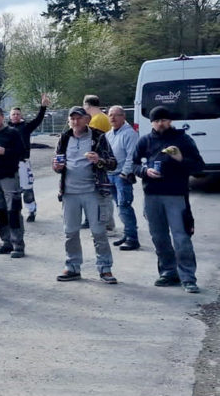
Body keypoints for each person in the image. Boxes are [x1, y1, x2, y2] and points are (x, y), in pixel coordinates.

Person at [133, 106, 205, 293]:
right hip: (152, 195)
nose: (161, 123)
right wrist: (144, 171)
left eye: (164, 120)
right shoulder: (145, 141)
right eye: (157, 121)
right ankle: (167, 272)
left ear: (170, 121)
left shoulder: (182, 139)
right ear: (151, 123)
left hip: (176, 195)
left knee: (181, 238)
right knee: (159, 237)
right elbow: (133, 164)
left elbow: (199, 167)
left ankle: (188, 277)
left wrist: (181, 159)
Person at [52, 106, 118, 284]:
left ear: (87, 119)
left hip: (93, 192)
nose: (75, 121)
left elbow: (113, 163)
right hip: (69, 193)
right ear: (68, 121)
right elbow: (57, 163)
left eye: (79, 118)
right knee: (70, 232)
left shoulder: (98, 137)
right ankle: (72, 267)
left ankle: (105, 269)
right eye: (72, 118)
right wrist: (57, 167)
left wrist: (99, 160)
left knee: (98, 232)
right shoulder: (64, 137)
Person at [0, 106, 27, 258]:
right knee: (0, 211)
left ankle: (18, 244)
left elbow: (22, 152)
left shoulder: (12, 133)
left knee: (14, 210)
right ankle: (6, 242)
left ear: (2, 117)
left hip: (9, 176)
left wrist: (5, 152)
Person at [8, 94, 50, 222]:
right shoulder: (6, 129)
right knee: (11, 190)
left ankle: (31, 210)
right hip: (9, 164)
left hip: (23, 163)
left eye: (17, 114)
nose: (15, 116)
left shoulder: (26, 127)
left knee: (27, 188)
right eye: (13, 114)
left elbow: (38, 120)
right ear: (10, 116)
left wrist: (43, 107)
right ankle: (13, 212)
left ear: (21, 116)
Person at [105, 105, 140, 251]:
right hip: (110, 175)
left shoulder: (130, 134)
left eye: (116, 115)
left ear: (123, 117)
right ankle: (127, 234)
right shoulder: (109, 134)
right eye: (110, 115)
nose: (112, 117)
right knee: (119, 207)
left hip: (122, 176)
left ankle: (132, 239)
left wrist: (124, 173)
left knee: (125, 206)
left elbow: (132, 156)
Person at [81, 95, 115, 232]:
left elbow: (90, 142)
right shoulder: (104, 117)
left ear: (87, 105)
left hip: (100, 161)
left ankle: (105, 223)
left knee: (103, 196)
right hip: (106, 159)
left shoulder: (96, 120)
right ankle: (101, 221)